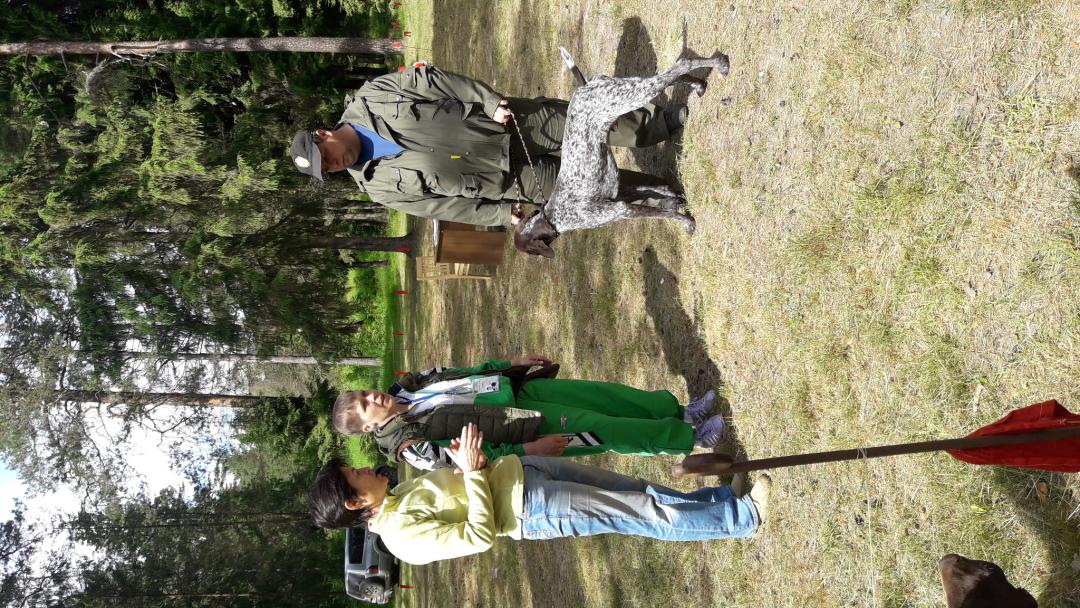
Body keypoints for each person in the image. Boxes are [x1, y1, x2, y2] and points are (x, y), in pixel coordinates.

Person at [309, 423, 771, 565]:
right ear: (355, 502)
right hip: (535, 510)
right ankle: (741, 520)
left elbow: (468, 483)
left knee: (637, 491)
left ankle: (720, 504)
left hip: (528, 473)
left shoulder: (401, 493)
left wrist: (475, 463)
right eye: (355, 474)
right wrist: (472, 473)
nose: (364, 467)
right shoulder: (401, 539)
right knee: (638, 511)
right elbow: (479, 537)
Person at [289, 64, 689, 226]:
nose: (335, 164)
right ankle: (662, 194)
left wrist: (487, 99)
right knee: (590, 190)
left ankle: (658, 125)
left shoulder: (373, 97)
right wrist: (500, 214)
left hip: (507, 123)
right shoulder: (376, 187)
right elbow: (441, 207)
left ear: (323, 134)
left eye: (327, 157)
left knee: (588, 124)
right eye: (330, 169)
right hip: (507, 179)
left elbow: (436, 83)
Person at [331, 355, 727, 471]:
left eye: (365, 392)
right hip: (524, 429)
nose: (373, 397)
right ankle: (690, 439)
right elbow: (473, 461)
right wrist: (529, 451)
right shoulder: (410, 447)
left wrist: (510, 365)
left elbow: (464, 374)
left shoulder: (408, 387)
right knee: (603, 428)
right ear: (367, 427)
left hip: (520, 391)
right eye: (366, 405)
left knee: (607, 398)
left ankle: (680, 413)